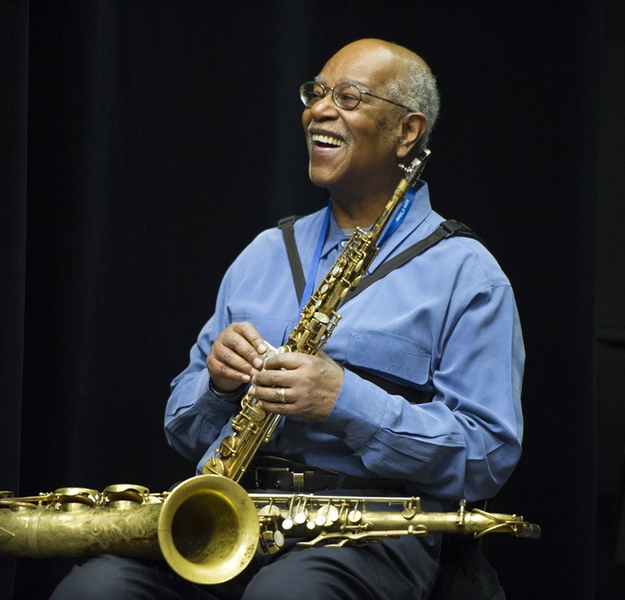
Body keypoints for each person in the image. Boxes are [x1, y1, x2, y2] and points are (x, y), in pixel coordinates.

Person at [50, 38, 524, 600]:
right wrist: (218, 385)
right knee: (96, 589)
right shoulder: (264, 252)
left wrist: (346, 400)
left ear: (407, 131)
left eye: (348, 97)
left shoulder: (468, 273)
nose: (319, 110)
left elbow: (488, 454)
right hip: (237, 516)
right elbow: (182, 423)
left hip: (371, 531)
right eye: (316, 92)